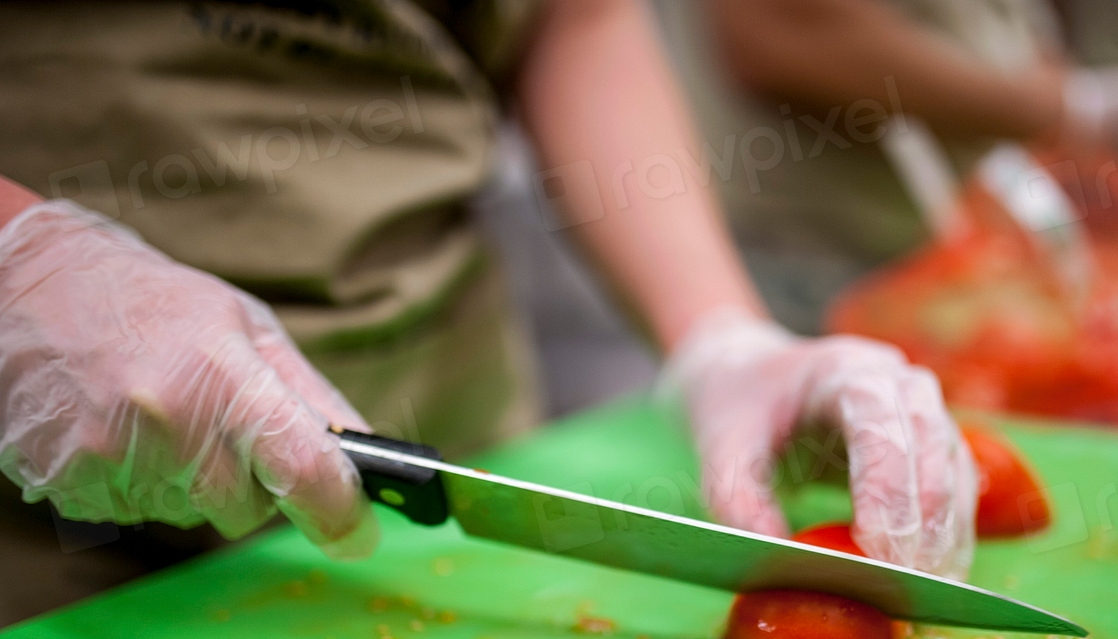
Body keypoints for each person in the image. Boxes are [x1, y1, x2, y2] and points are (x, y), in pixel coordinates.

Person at [0, 0, 977, 594]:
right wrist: (18, 268)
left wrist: (716, 332)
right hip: (55, 551)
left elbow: (573, 18)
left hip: (449, 458)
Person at [653, 0, 1118, 333]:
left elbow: (990, 33)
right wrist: (1071, 110)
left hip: (932, 265)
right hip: (804, 270)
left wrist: (1075, 165)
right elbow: (780, 28)